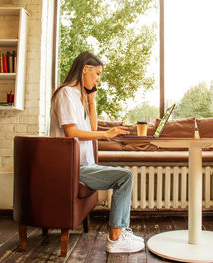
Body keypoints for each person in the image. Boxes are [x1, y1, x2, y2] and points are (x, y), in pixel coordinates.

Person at [50, 51, 145, 253]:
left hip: (85, 164)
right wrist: (106, 135)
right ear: (86, 69)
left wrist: (92, 100)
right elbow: (71, 133)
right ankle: (115, 238)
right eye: (98, 74)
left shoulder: (79, 97)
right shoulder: (66, 93)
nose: (98, 79)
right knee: (125, 177)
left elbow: (92, 129)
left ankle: (119, 232)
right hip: (73, 166)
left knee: (124, 177)